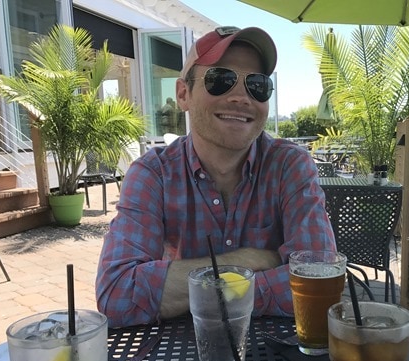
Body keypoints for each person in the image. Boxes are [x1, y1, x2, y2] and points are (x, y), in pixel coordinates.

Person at [96, 26, 337, 327]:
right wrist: (249, 261)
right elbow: (117, 293)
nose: (241, 97)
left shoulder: (290, 165)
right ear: (183, 94)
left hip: (280, 347)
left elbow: (319, 279)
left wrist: (195, 289)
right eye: (220, 80)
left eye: (257, 85)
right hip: (182, 347)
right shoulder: (153, 174)